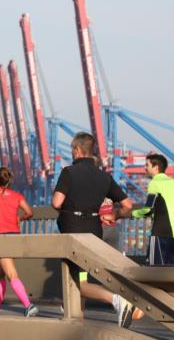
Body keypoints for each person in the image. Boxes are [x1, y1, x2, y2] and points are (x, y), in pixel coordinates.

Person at [52, 132, 142, 327]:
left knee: (76, 283)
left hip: (73, 230)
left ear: (76, 150)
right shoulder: (104, 177)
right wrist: (113, 216)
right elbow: (128, 205)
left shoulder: (68, 172)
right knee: (81, 275)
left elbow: (56, 202)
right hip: (94, 231)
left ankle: (116, 300)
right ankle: (78, 318)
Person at [0, 167, 38, 317]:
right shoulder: (17, 196)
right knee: (0, 273)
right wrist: (19, 218)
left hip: (0, 238)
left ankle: (28, 305)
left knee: (11, 274)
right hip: (15, 237)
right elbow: (29, 212)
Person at [133, 154, 174, 266]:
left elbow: (148, 210)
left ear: (155, 167)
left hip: (160, 232)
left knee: (155, 269)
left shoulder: (154, 183)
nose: (145, 168)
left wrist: (133, 213)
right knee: (173, 270)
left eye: (147, 165)